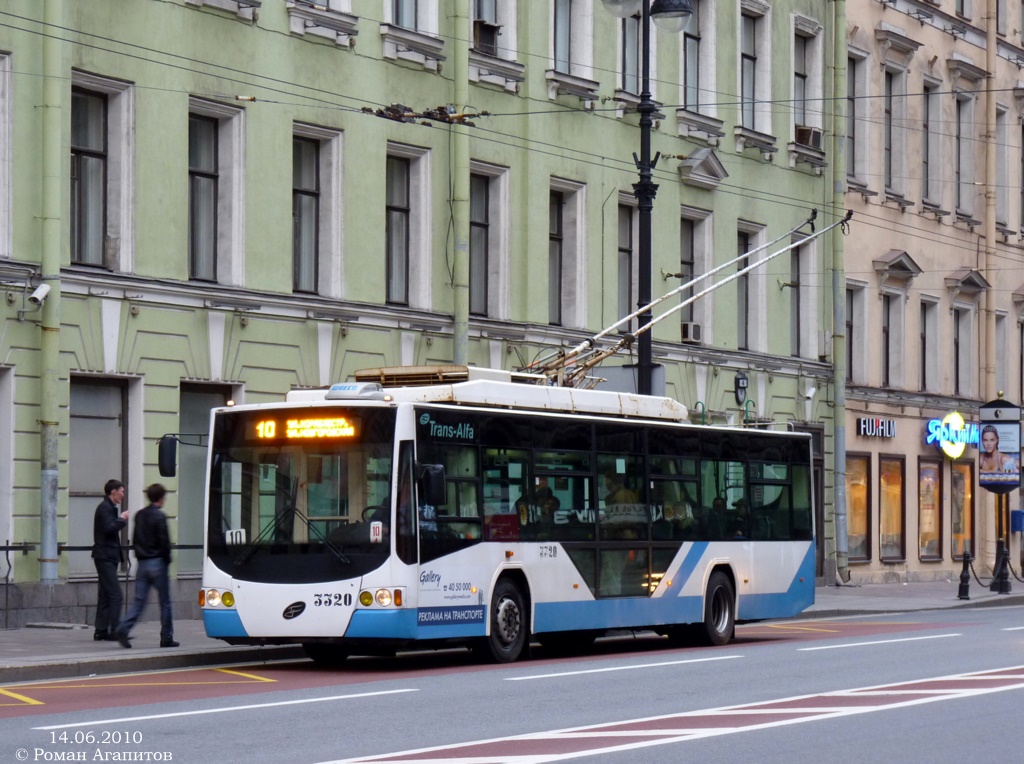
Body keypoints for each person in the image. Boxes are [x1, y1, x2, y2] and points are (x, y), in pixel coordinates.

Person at [116, 484, 178, 649]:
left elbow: (135, 538)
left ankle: (124, 628)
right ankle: (166, 637)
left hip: (142, 563)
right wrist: (167, 559)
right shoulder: (160, 516)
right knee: (164, 602)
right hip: (158, 562)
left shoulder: (140, 515)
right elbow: (164, 541)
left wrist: (139, 555)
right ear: (161, 498)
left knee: (139, 602)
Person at [92, 479, 127, 642]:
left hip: (107, 556)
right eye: (121, 491)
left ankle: (101, 631)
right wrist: (122, 519)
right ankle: (114, 630)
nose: (123, 494)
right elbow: (108, 529)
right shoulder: (104, 508)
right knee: (116, 594)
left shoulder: (109, 507)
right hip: (105, 556)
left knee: (106, 594)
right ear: (113, 492)